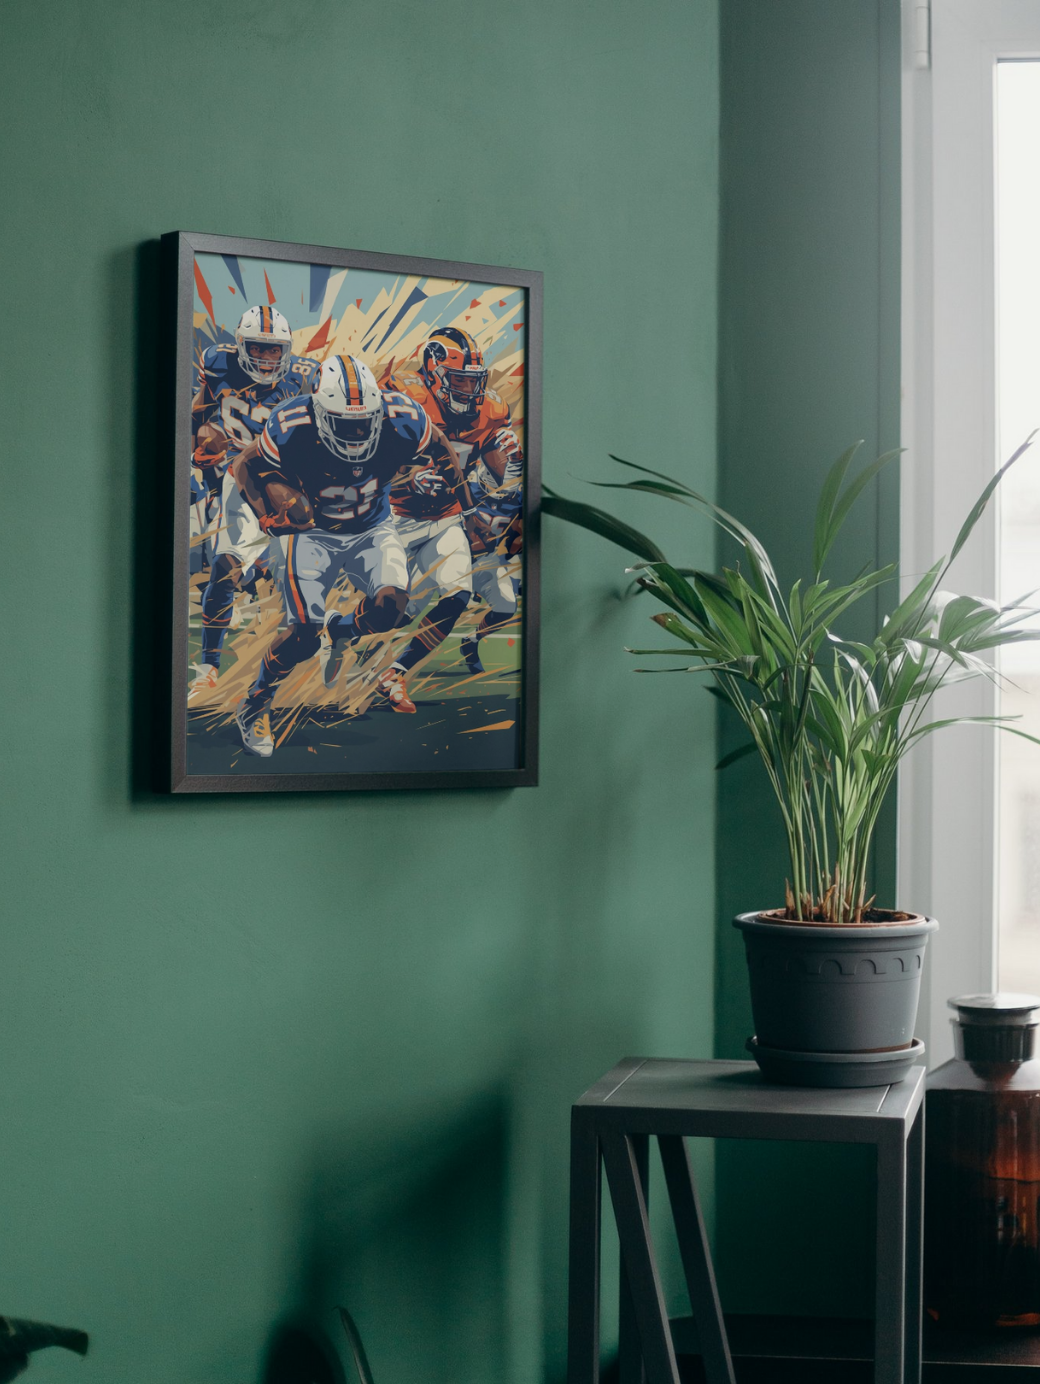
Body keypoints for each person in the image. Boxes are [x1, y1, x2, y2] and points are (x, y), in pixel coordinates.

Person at [231, 354, 464, 756]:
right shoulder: (291, 424)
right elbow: (245, 466)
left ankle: (340, 631)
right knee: (303, 634)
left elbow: (441, 446)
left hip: (372, 526)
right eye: (344, 423)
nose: (356, 432)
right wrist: (268, 514)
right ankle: (254, 703)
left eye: (363, 421)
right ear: (320, 412)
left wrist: (467, 503)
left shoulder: (402, 415)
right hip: (312, 532)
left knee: (391, 607)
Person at [188, 305, 317, 702]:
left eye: (274, 350)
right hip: (239, 473)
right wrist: (203, 454)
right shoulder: (220, 364)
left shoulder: (305, 378)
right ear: (242, 346)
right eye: (258, 349)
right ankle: (209, 665)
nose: (266, 358)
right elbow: (200, 412)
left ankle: (331, 641)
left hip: (287, 475)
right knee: (225, 568)